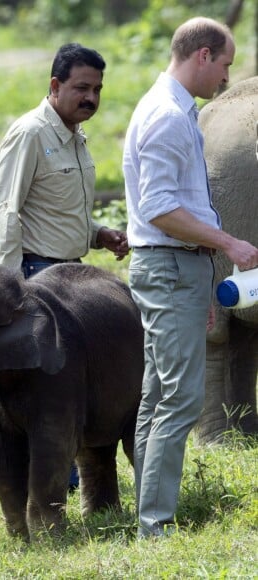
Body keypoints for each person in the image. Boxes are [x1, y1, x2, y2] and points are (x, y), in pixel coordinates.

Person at [0, 43, 129, 491]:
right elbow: (5, 212)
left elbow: (57, 209)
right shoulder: (30, 133)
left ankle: (51, 469)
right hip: (35, 277)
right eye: (80, 88)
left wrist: (99, 233)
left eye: (97, 89)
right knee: (43, 390)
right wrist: (10, 291)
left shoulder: (75, 137)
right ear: (54, 86)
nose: (90, 97)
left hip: (70, 276)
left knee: (64, 386)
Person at [122, 17, 258, 539]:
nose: (226, 78)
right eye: (224, 65)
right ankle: (154, 525)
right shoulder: (168, 118)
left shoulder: (179, 112)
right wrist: (228, 243)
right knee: (179, 398)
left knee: (159, 395)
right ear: (202, 56)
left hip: (182, 267)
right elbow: (159, 208)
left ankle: (146, 513)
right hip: (169, 265)